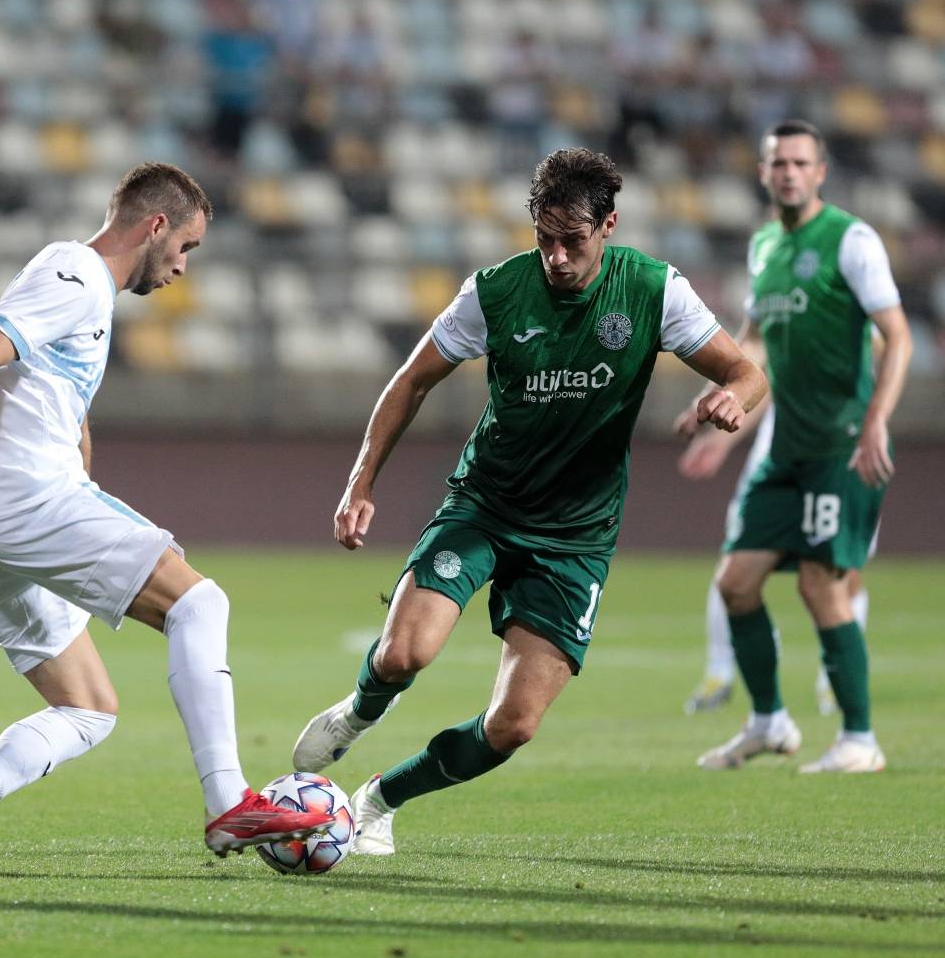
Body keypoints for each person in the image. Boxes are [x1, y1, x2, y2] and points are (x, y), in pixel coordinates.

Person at [290, 148, 766, 855]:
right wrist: (361, 482)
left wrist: (734, 397)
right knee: (403, 655)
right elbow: (411, 381)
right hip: (485, 506)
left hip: (575, 537)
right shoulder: (496, 292)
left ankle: (381, 798)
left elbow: (745, 370)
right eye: (544, 238)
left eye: (572, 241)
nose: (556, 257)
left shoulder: (653, 291)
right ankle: (359, 713)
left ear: (609, 226)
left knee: (512, 726)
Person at [0, 163, 333, 873]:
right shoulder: (75, 271)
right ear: (157, 226)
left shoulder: (90, 301)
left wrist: (71, 457)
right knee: (200, 603)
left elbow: (47, 397)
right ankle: (229, 803)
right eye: (187, 248)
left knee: (88, 708)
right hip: (20, 498)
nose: (183, 268)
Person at [695, 120, 911, 774]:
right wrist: (718, 399)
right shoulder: (764, 246)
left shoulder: (851, 240)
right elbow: (754, 340)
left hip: (840, 446)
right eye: (777, 162)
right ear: (763, 173)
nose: (787, 172)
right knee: (736, 584)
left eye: (799, 162)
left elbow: (897, 337)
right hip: (783, 447)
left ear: (820, 172)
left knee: (823, 585)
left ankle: (859, 739)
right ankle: (768, 722)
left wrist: (876, 419)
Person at [676, 402, 873, 719]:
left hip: (841, 446)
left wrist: (875, 421)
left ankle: (838, 689)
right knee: (734, 569)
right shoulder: (780, 351)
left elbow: (894, 353)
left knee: (838, 573)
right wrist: (722, 439)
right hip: (777, 452)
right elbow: (762, 375)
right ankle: (723, 674)